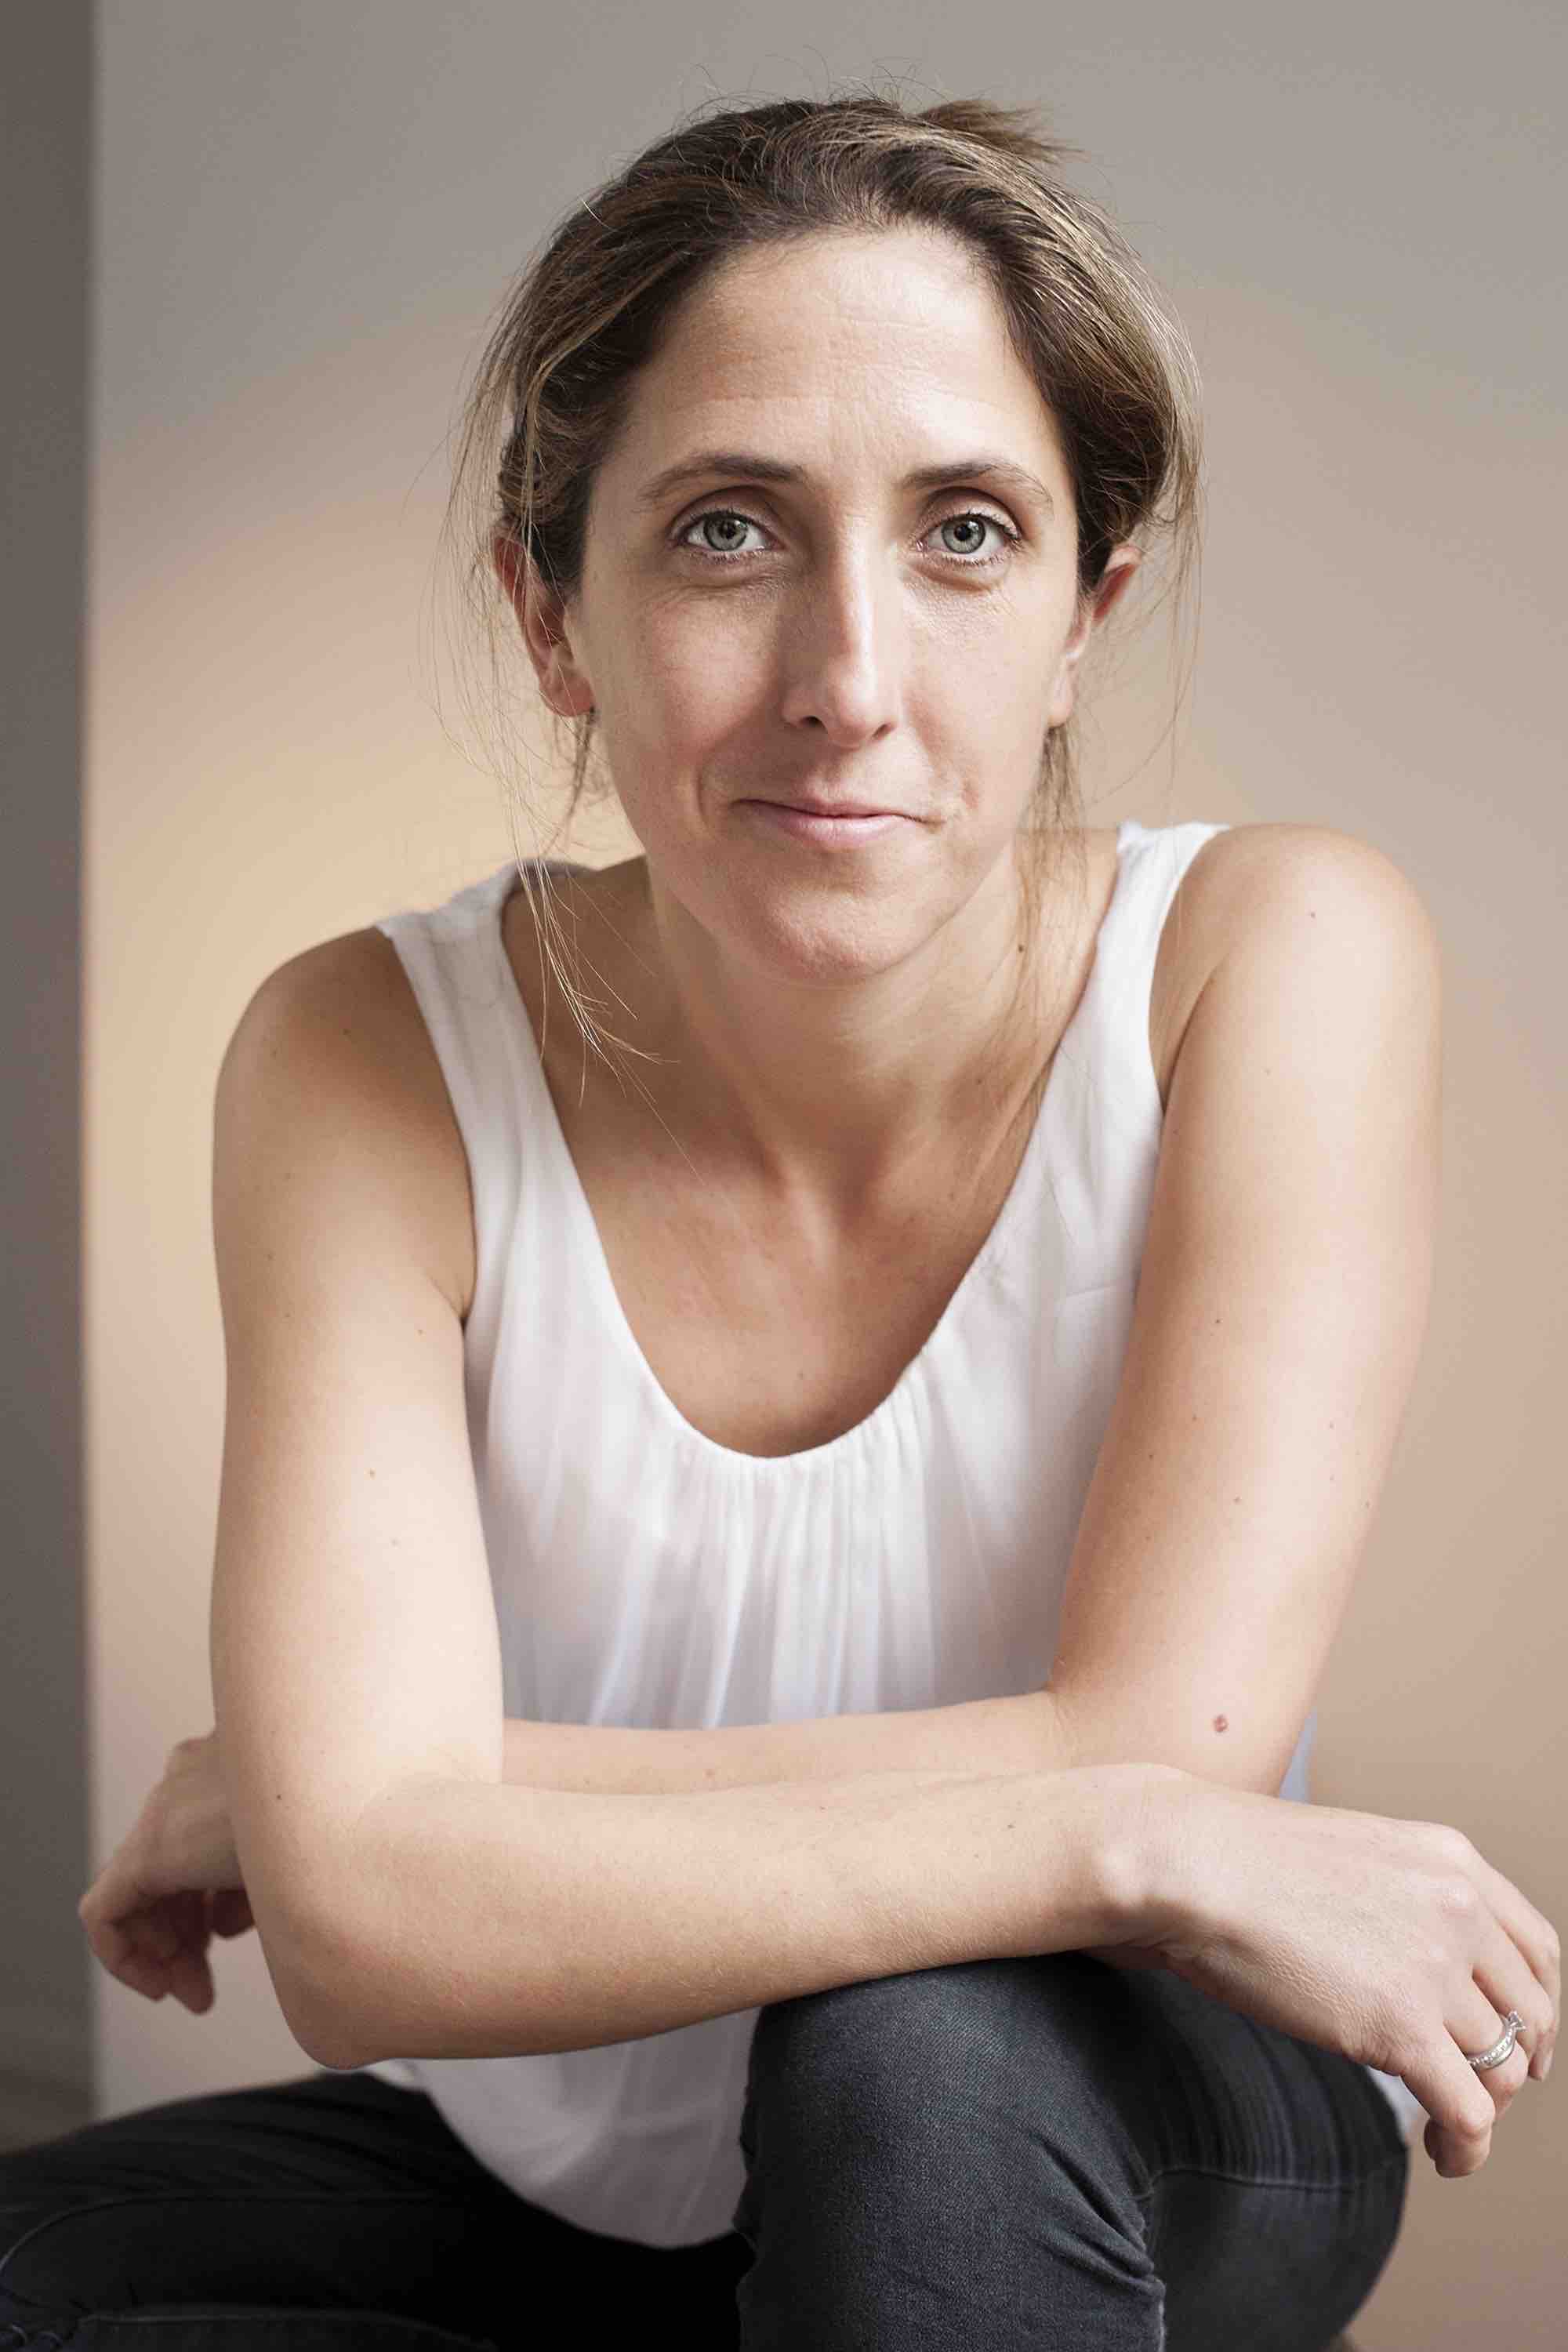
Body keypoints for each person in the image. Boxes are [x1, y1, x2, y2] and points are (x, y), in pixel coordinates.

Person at [13, 89, 1556, 2352]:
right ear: (554, 614)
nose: (850, 679)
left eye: (966, 535)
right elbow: (359, 1943)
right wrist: (1123, 1826)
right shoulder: (366, 1055)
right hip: (574, 2140)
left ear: (1086, 615)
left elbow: (1179, 1740)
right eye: (728, 532)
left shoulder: (1270, 956)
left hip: (1117, 2090)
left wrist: (405, 1795)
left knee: (908, 2063)